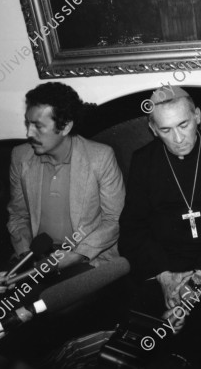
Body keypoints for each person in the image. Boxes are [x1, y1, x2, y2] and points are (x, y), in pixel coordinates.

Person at [118, 85, 201, 365]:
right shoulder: (144, 161)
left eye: (183, 125)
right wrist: (166, 278)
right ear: (153, 129)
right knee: (147, 341)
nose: (178, 138)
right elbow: (133, 228)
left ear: (197, 116)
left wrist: (198, 276)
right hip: (161, 266)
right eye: (166, 130)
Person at [7, 82, 125, 271]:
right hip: (35, 259)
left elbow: (114, 219)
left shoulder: (100, 157)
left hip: (88, 258)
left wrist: (76, 256)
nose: (29, 133)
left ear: (65, 127)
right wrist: (25, 254)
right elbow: (18, 215)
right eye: (27, 123)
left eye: (38, 126)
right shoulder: (20, 157)